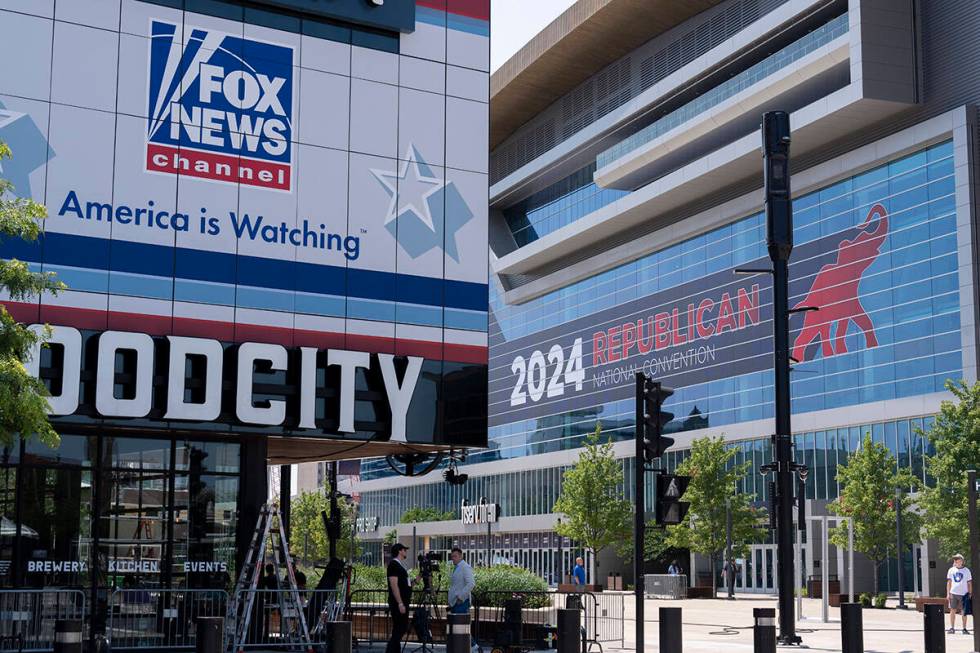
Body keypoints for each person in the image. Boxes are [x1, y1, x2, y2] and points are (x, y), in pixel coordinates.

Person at [386, 543, 412, 653]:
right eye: (405, 549)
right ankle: (391, 651)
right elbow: (394, 585)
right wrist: (400, 603)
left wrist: (418, 579)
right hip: (398, 602)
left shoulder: (400, 565)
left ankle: (394, 650)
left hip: (403, 601)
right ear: (400, 551)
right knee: (400, 627)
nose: (406, 551)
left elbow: (405, 584)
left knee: (400, 628)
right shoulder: (393, 565)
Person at [947, 553, 973, 634]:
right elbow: (949, 582)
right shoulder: (951, 570)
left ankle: (964, 628)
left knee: (964, 611)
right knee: (952, 610)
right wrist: (948, 593)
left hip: (964, 594)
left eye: (957, 559)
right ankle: (952, 627)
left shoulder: (966, 570)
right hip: (953, 593)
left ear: (962, 561)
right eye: (955, 559)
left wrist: (970, 593)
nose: (956, 561)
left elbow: (969, 583)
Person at [448, 547, 475, 614]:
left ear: (460, 557)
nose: (453, 558)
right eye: (452, 556)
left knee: (460, 624)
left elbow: (471, 584)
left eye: (455, 556)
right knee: (456, 623)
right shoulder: (457, 567)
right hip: (455, 603)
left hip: (461, 603)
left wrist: (460, 597)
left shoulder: (465, 567)